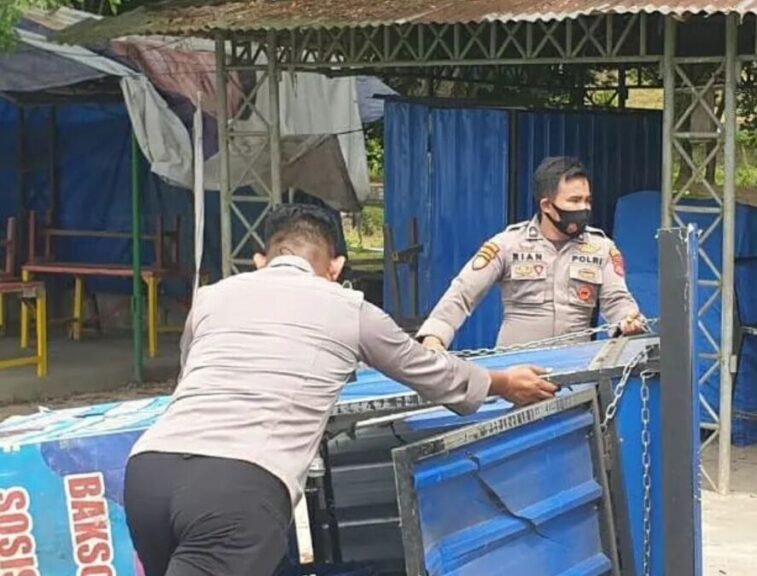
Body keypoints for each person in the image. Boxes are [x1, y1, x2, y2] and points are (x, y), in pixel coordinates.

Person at [122, 203, 556, 576]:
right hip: (237, 487)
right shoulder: (348, 308)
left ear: (261, 260)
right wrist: (501, 382)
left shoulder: (211, 297)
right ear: (336, 268)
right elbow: (429, 371)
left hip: (148, 473)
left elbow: (190, 378)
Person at [418, 156, 646, 351]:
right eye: (574, 200)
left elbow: (617, 300)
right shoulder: (507, 244)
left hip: (578, 373)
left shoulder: (602, 248)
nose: (583, 208)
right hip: (514, 374)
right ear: (547, 205)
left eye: (587, 200)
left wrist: (628, 320)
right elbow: (462, 293)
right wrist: (434, 337)